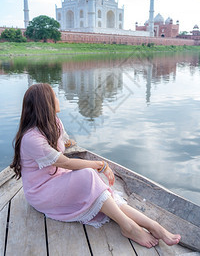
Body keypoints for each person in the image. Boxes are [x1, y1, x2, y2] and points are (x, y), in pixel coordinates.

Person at [10, 83, 181, 249]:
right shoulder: (31, 139)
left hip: (58, 178)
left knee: (102, 191)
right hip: (41, 191)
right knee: (88, 175)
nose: (58, 98)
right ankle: (128, 227)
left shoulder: (54, 123)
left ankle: (152, 225)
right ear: (45, 104)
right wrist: (99, 164)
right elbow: (66, 163)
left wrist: (66, 142)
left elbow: (65, 142)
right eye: (54, 96)